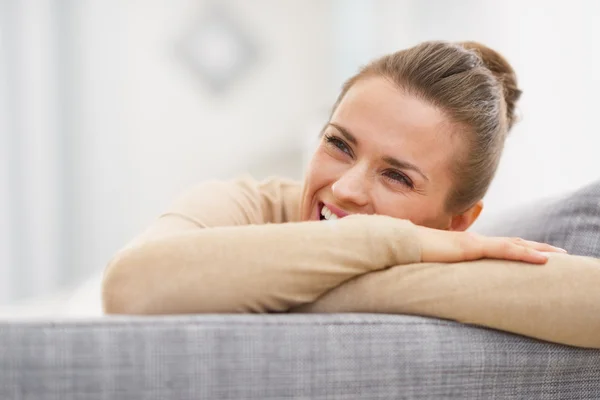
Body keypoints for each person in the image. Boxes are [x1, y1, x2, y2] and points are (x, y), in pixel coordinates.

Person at [101, 41, 600, 348]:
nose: (344, 187)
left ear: (457, 224)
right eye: (338, 144)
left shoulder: (458, 257)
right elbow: (130, 287)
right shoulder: (243, 204)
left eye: (397, 177)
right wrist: (391, 246)